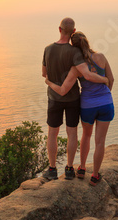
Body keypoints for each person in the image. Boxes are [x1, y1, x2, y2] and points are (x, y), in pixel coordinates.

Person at [42, 18, 108, 181]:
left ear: (59, 29)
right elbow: (86, 74)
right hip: (72, 98)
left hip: (54, 98)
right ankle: (70, 168)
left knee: (52, 133)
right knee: (72, 133)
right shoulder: (75, 52)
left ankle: (52, 169)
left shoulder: (48, 49)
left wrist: (51, 81)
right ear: (73, 31)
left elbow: (44, 74)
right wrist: (106, 80)